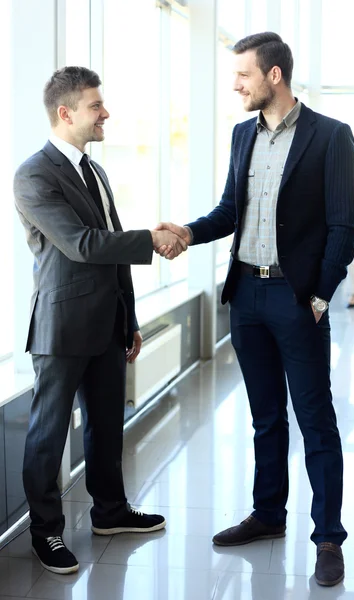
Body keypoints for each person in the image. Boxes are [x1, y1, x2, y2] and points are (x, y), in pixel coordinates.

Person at [156, 32, 354, 587]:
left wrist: (319, 294)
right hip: (245, 295)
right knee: (265, 417)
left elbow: (345, 225)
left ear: (274, 75)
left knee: (315, 420)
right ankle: (269, 514)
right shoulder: (242, 135)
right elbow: (230, 211)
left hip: (296, 299)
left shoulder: (332, 137)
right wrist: (187, 232)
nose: (235, 84)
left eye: (243, 74)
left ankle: (327, 538)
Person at [13, 66, 187, 575]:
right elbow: (82, 245)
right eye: (96, 105)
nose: (105, 112)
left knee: (108, 427)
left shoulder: (94, 170)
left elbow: (108, 248)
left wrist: (129, 316)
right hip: (62, 328)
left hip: (108, 322)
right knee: (48, 435)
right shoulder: (33, 175)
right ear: (65, 114)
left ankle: (110, 512)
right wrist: (150, 238)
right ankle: (46, 532)